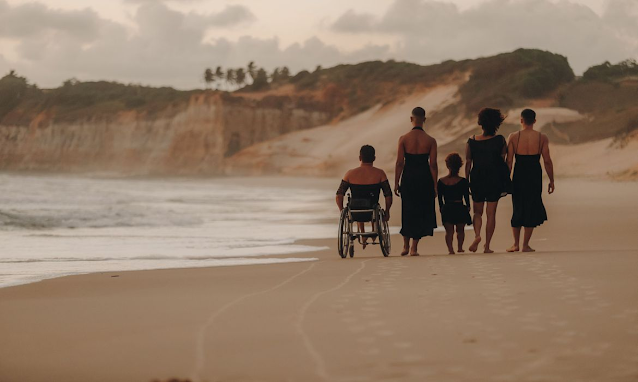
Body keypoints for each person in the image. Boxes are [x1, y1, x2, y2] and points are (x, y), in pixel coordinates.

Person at [506, 109, 555, 252]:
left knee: (518, 206)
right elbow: (547, 161)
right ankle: (525, 245)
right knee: (531, 206)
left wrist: (506, 180)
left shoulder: (513, 137)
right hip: (534, 174)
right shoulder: (542, 137)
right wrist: (551, 180)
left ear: (521, 120)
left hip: (519, 174)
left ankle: (515, 244)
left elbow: (509, 161)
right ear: (534, 121)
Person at [394, 107, 438, 256]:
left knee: (408, 210)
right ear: (424, 120)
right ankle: (414, 248)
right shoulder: (431, 140)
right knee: (420, 211)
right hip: (424, 178)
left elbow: (399, 163)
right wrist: (435, 184)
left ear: (411, 119)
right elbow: (433, 165)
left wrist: (396, 182)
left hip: (409, 177)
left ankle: (405, 246)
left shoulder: (404, 139)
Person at [465, 108, 508, 253]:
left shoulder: (471, 140)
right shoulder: (500, 140)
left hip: (477, 177)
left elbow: (468, 162)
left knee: (478, 212)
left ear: (480, 122)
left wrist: (467, 180)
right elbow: (502, 162)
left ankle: (477, 235)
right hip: (494, 178)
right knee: (491, 213)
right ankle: (487, 246)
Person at [336, 145, 392, 249]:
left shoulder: (350, 174)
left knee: (357, 201)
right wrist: (387, 211)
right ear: (374, 158)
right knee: (370, 202)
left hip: (355, 211)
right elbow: (388, 194)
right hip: (372, 210)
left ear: (359, 158)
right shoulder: (380, 173)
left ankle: (362, 233)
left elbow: (339, 194)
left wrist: (341, 211)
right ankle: (372, 229)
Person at [438, 153, 472, 254]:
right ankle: (460, 248)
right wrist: (468, 206)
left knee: (449, 232)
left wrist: (441, 208)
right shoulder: (463, 181)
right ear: (460, 165)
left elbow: (440, 198)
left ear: (447, 165)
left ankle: (450, 250)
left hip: (447, 207)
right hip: (459, 206)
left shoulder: (441, 181)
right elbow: (466, 196)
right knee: (460, 231)